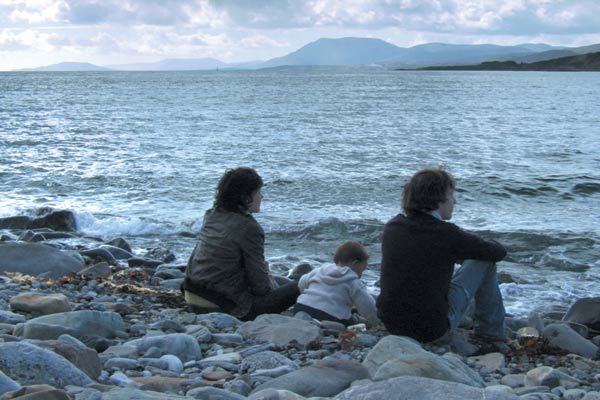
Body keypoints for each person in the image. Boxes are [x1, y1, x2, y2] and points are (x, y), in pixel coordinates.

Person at [377, 167, 507, 343]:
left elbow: (425, 252)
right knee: (484, 261)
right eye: (451, 195)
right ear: (439, 198)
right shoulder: (446, 233)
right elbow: (497, 252)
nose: (455, 201)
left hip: (392, 325)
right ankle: (490, 332)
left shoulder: (393, 226)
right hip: (431, 330)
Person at [182, 167, 299, 320]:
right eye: (257, 192)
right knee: (303, 283)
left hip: (194, 294)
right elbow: (261, 288)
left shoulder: (212, 214)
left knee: (284, 281)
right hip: (226, 306)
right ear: (245, 196)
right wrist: (268, 279)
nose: (261, 196)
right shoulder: (249, 228)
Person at [294, 240, 380, 326]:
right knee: (352, 322)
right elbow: (367, 307)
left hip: (302, 307)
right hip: (331, 316)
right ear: (355, 264)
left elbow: (302, 282)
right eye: (362, 269)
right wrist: (376, 321)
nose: (361, 274)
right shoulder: (354, 282)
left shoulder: (319, 271)